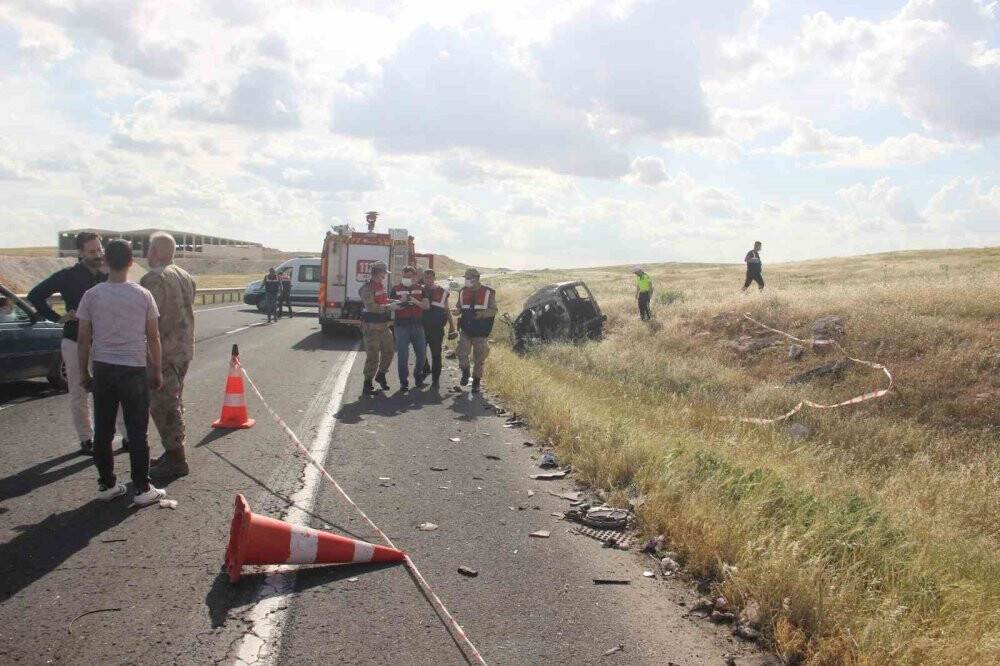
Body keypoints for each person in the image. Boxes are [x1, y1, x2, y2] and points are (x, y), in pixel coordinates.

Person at [76, 239, 166, 506]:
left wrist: (83, 373)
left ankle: (107, 484)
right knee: (137, 430)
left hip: (103, 368)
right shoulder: (143, 295)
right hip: (134, 368)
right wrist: (157, 369)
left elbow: (83, 339)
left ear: (105, 262)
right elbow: (153, 337)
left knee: (103, 430)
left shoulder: (91, 295)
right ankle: (142, 487)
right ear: (131, 262)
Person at [27, 231, 124, 455]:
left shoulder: (109, 274)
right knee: (79, 391)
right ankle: (86, 438)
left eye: (100, 249)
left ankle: (127, 435)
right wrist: (57, 317)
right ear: (80, 252)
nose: (98, 255)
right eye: (92, 251)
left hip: (106, 341)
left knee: (115, 388)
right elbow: (35, 295)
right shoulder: (67, 276)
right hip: (74, 340)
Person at [141, 232, 196, 479]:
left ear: (156, 251)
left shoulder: (154, 279)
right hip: (183, 350)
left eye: (150, 248)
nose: (147, 254)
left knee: (164, 406)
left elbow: (145, 316)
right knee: (174, 401)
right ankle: (172, 452)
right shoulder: (185, 276)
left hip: (163, 352)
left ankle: (177, 460)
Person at [455, 268, 496, 394]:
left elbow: (493, 310)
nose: (466, 280)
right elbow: (459, 306)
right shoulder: (462, 291)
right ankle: (465, 372)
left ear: (476, 279)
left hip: (481, 330)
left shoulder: (488, 292)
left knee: (479, 358)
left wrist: (482, 314)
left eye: (469, 278)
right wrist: (457, 311)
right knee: (461, 353)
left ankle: (476, 383)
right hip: (465, 329)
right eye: (465, 278)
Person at [389, 266, 430, 392]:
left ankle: (418, 376)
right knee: (403, 355)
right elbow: (391, 307)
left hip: (418, 326)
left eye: (409, 276)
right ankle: (404, 382)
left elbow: (426, 306)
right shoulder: (395, 289)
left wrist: (414, 301)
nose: (407, 278)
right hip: (401, 326)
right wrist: (401, 302)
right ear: (402, 276)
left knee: (422, 355)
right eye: (405, 276)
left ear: (414, 277)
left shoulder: (421, 289)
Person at [358, 261, 394, 396]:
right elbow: (371, 307)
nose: (385, 275)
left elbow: (383, 301)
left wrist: (395, 302)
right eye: (384, 272)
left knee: (389, 352)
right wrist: (390, 307)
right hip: (371, 327)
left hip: (384, 326)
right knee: (373, 356)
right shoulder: (367, 288)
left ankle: (381, 375)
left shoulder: (380, 286)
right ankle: (367, 383)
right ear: (378, 272)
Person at [419, 268, 456, 387]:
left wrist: (452, 326)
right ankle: (426, 368)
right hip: (421, 327)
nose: (428, 280)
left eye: (430, 277)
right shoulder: (419, 290)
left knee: (436, 354)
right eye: (426, 277)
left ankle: (436, 379)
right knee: (420, 352)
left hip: (436, 329)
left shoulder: (442, 292)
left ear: (434, 278)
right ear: (423, 278)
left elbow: (447, 310)